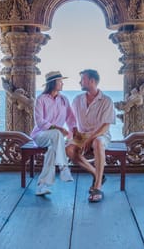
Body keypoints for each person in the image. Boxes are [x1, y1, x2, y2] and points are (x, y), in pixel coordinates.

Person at [66, 69, 115, 203]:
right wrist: (74, 135)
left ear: (92, 81)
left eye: (82, 79)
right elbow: (72, 121)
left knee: (98, 142)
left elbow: (106, 126)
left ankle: (97, 186)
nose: (80, 82)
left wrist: (91, 138)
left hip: (100, 134)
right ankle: (96, 173)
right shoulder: (77, 100)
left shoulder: (106, 101)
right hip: (82, 135)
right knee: (69, 149)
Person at [31, 71, 77, 196]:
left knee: (52, 151)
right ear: (53, 83)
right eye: (60, 81)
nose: (62, 83)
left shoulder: (64, 100)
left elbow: (71, 119)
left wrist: (73, 133)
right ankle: (63, 167)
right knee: (57, 133)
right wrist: (59, 128)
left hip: (56, 139)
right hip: (41, 135)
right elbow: (40, 122)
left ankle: (42, 185)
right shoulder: (41, 99)